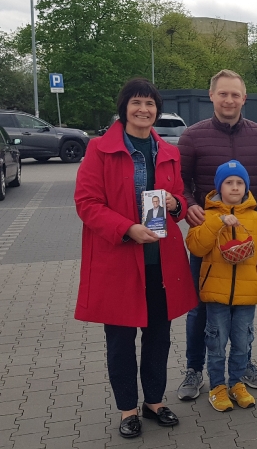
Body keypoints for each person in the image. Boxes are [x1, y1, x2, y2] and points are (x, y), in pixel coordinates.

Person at [74, 78, 197, 439]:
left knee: (159, 338)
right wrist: (127, 228)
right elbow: (87, 204)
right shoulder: (100, 150)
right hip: (119, 262)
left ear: (157, 110)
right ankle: (128, 409)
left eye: (150, 103)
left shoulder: (168, 151)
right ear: (124, 108)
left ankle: (154, 402)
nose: (144, 109)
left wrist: (176, 204)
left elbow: (178, 198)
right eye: (136, 103)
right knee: (120, 342)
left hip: (161, 263)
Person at [177, 69, 257, 401]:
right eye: (223, 94)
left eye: (235, 94)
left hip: (247, 240)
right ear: (211, 96)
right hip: (209, 239)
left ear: (244, 98)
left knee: (243, 310)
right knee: (199, 309)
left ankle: (242, 366)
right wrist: (189, 206)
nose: (229, 100)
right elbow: (179, 182)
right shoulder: (192, 136)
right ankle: (194, 369)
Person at [186, 160, 257, 413]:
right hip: (215, 296)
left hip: (247, 296)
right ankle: (217, 386)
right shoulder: (205, 216)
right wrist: (218, 222)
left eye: (240, 183)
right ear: (219, 187)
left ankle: (237, 383)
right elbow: (196, 247)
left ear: (246, 187)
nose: (235, 187)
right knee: (216, 344)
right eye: (229, 182)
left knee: (242, 343)